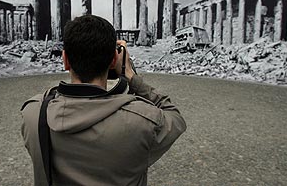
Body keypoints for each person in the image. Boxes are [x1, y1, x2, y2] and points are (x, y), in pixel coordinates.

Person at [20, 15, 186, 186]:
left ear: (65, 60)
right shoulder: (142, 121)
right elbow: (175, 117)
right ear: (113, 60)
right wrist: (131, 76)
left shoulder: (33, 114)